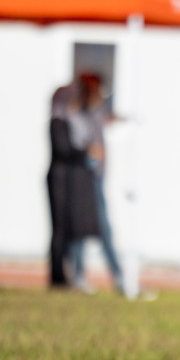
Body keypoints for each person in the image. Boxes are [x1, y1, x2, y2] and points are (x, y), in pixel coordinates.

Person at [68, 73, 126, 295]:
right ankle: (79, 275)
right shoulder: (78, 113)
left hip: (98, 178)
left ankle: (117, 275)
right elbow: (77, 141)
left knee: (104, 228)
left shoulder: (98, 113)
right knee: (85, 227)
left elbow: (109, 118)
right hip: (85, 178)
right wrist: (88, 151)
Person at [45, 79, 98, 289]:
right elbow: (63, 150)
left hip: (70, 180)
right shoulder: (57, 121)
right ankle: (57, 277)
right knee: (59, 229)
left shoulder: (74, 120)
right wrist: (86, 152)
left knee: (69, 229)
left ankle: (67, 275)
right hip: (59, 179)